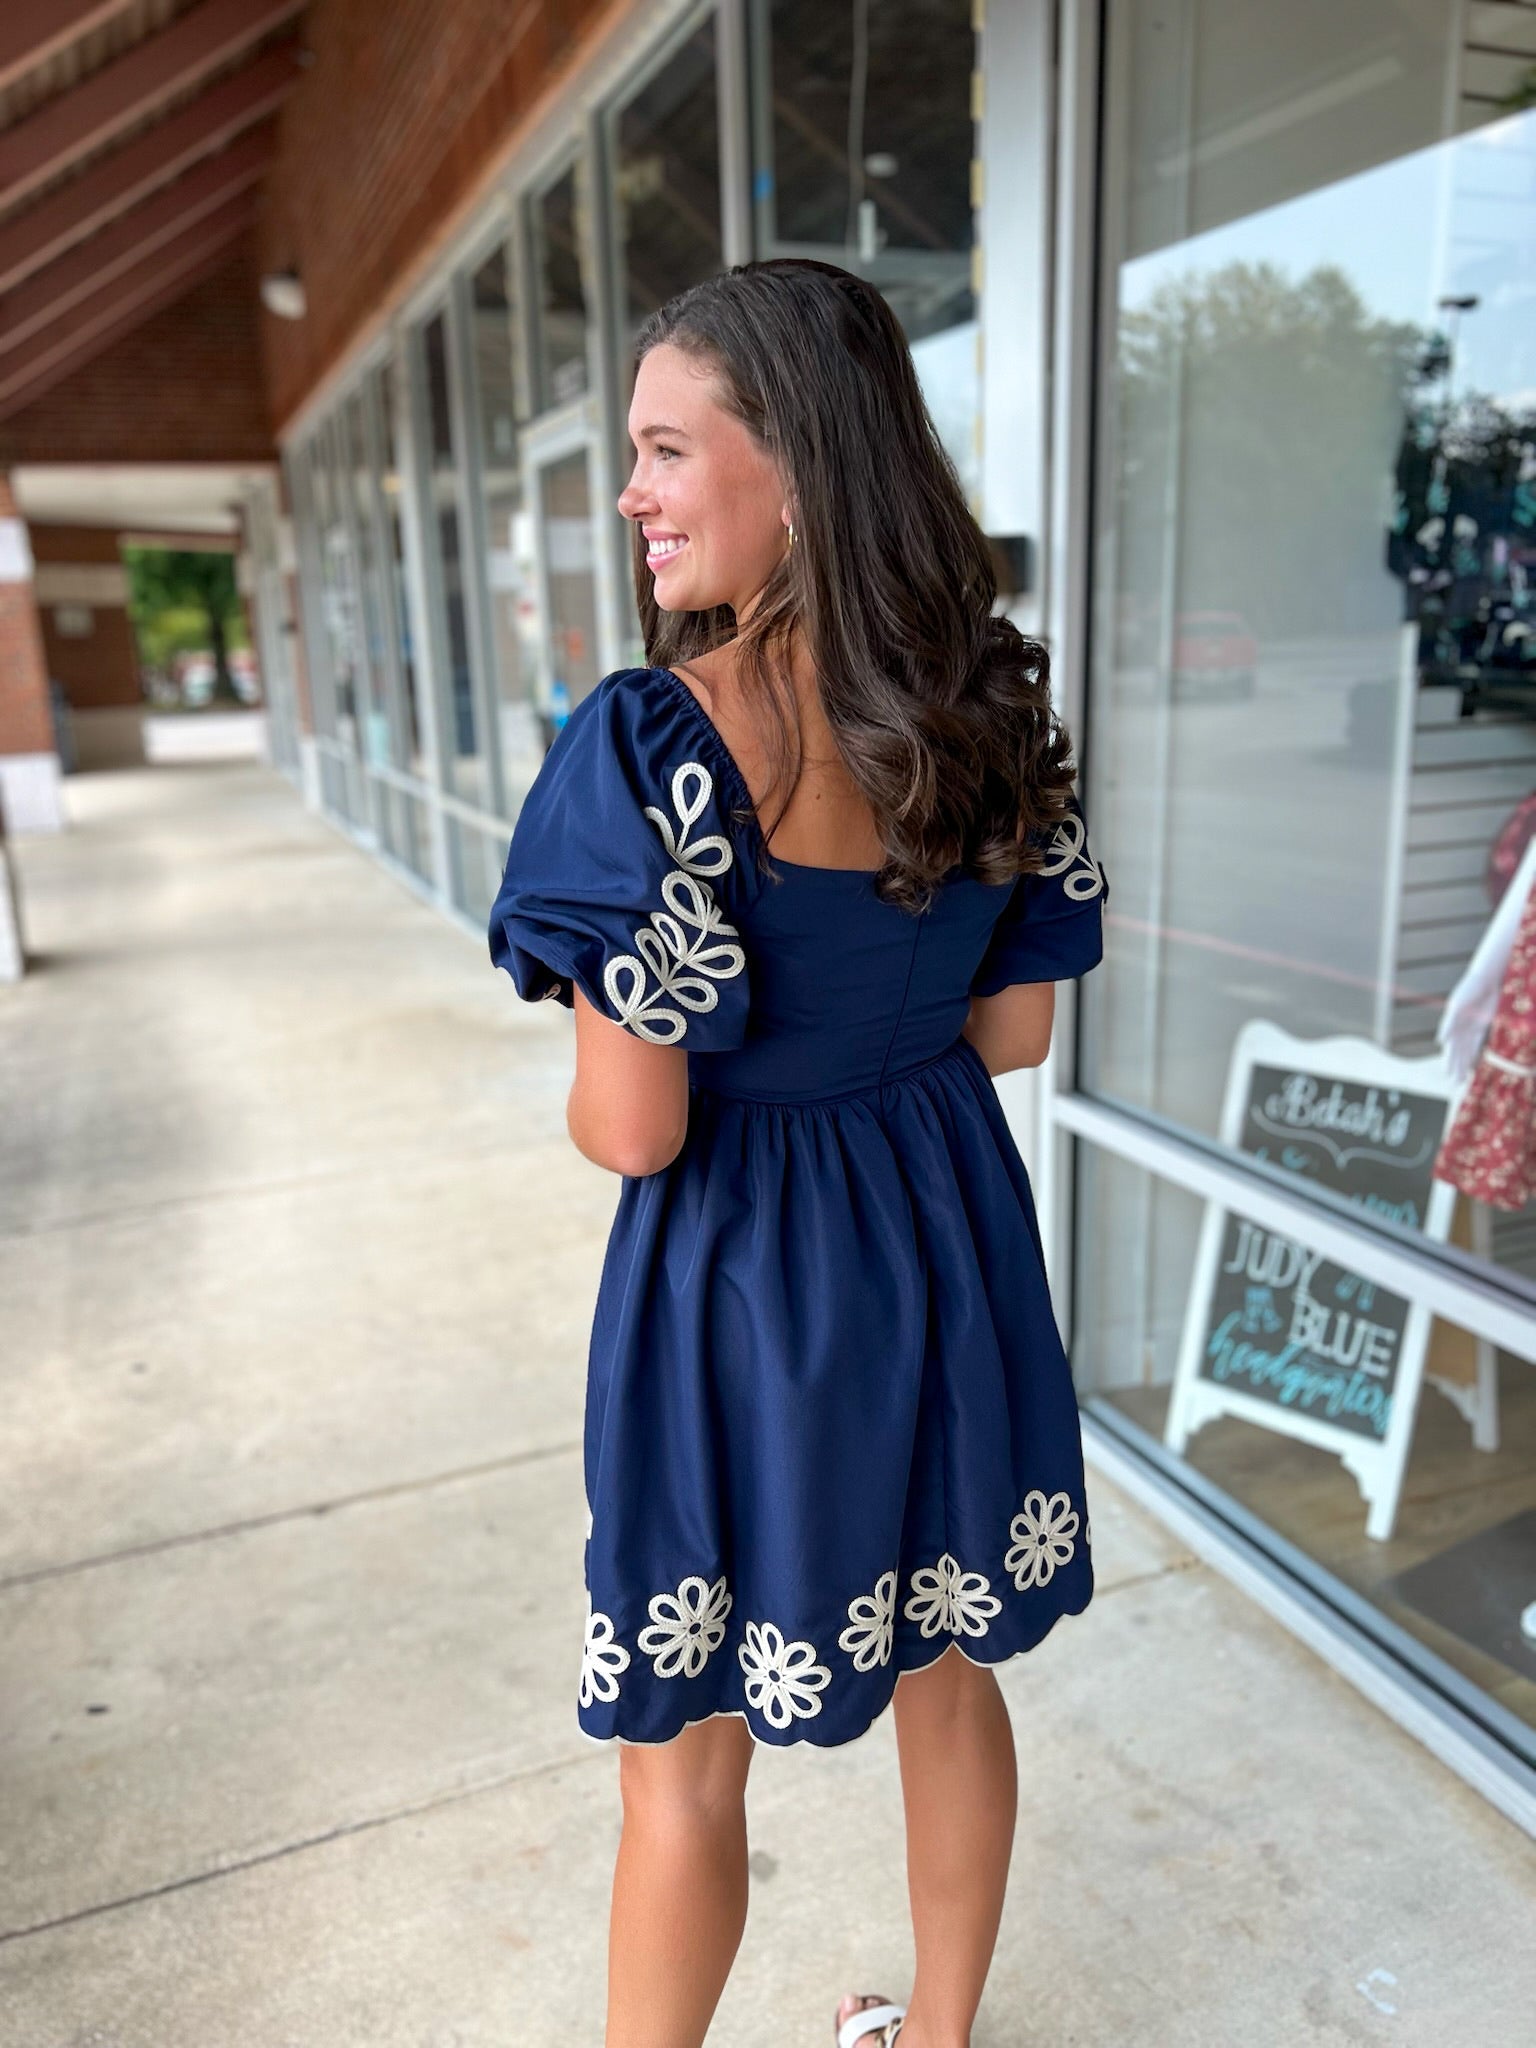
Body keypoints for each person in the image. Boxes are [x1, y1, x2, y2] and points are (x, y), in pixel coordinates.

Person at [488, 258, 1108, 2048]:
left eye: (666, 449)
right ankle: (940, 2037)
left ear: (797, 466)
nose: (634, 494)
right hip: (945, 1237)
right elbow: (1015, 1035)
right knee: (947, 1659)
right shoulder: (992, 718)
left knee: (680, 1761)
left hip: (745, 1285)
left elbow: (636, 1123)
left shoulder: (656, 747)